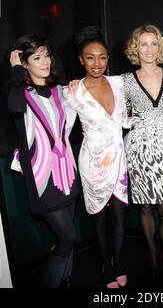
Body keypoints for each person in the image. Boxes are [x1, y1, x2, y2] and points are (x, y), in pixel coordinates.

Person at [7, 35, 79, 288]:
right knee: (67, 238)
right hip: (42, 178)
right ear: (25, 63)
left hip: (67, 173)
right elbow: (15, 109)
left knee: (69, 237)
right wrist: (16, 70)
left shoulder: (61, 92)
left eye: (46, 55)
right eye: (36, 57)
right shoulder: (20, 94)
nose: (45, 61)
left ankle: (66, 278)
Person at [63, 26, 130, 288]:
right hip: (92, 163)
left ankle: (119, 263)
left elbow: (124, 121)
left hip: (119, 161)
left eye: (102, 57)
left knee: (120, 217)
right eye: (90, 57)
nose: (97, 63)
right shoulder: (73, 91)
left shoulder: (118, 83)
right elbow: (63, 130)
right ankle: (106, 267)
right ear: (81, 59)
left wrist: (155, 123)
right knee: (99, 217)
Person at [122, 24, 163, 280]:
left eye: (154, 43)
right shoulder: (125, 80)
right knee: (145, 207)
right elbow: (118, 115)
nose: (149, 49)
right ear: (135, 48)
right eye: (143, 44)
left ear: (161, 46)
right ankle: (152, 251)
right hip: (139, 149)